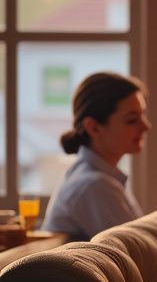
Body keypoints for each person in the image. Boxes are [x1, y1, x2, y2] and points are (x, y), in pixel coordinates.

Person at [41, 71, 150, 241]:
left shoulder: (100, 178)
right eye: (132, 120)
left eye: (142, 115)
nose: (146, 126)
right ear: (93, 127)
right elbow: (139, 253)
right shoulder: (93, 185)